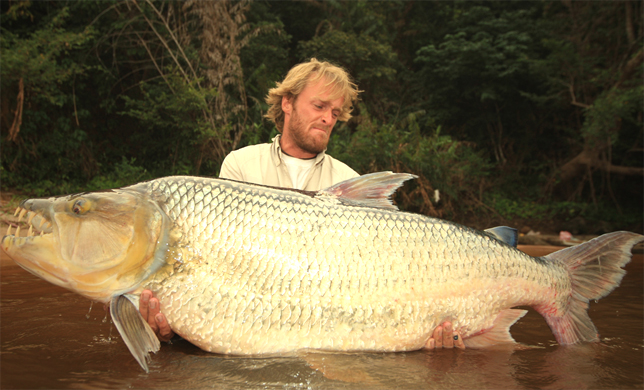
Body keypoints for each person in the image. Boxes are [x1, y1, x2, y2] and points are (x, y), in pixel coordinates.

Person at [139, 58, 465, 350]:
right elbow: (220, 269)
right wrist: (178, 325)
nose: (328, 119)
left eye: (335, 113)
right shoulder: (239, 165)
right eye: (320, 106)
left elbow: (368, 277)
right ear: (287, 103)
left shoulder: (347, 177)